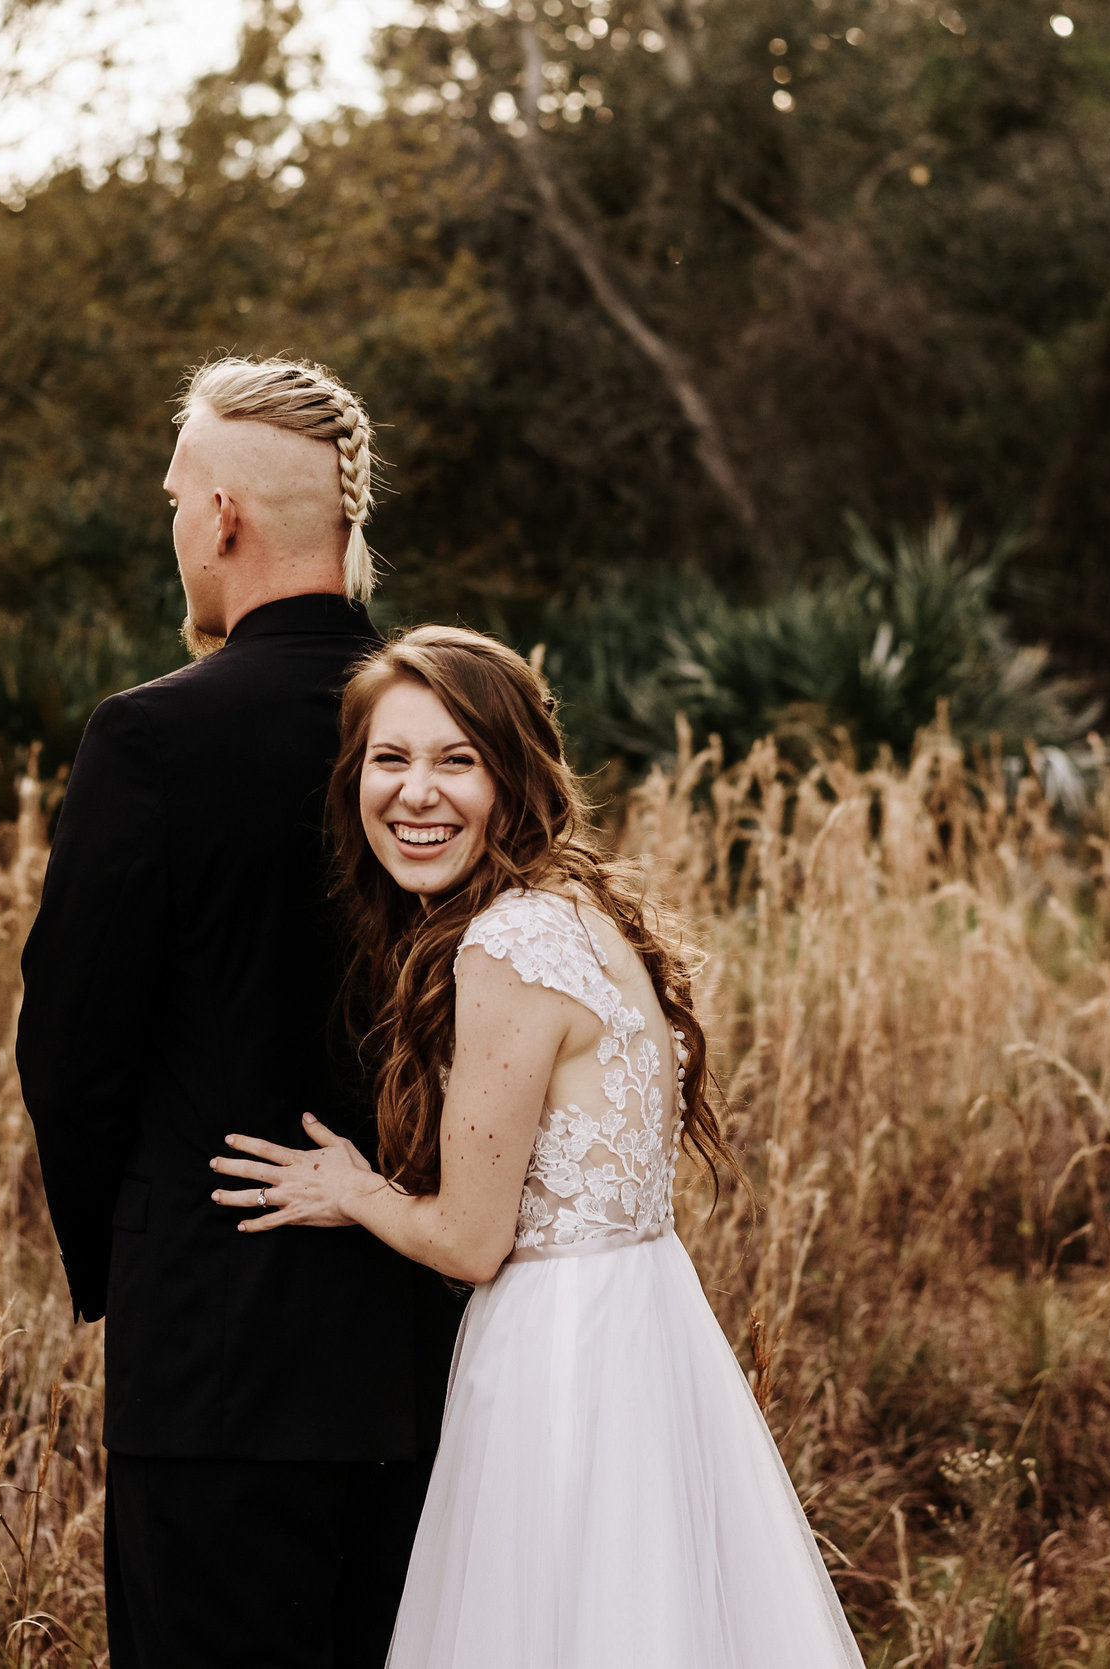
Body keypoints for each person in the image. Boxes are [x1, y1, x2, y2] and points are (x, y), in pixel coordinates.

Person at [209, 626, 868, 1669]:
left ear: (512, 775)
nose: (416, 793)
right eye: (390, 758)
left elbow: (472, 1242)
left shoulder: (505, 946)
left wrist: (352, 1187)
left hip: (563, 1358)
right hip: (644, 1321)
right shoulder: (579, 909)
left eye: (455, 759)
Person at [17, 357, 462, 1669]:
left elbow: (70, 1052)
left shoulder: (150, 739)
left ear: (222, 516)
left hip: (212, 1358)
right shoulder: (453, 732)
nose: (171, 529)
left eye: (172, 499)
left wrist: (141, 1256)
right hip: (432, 1346)